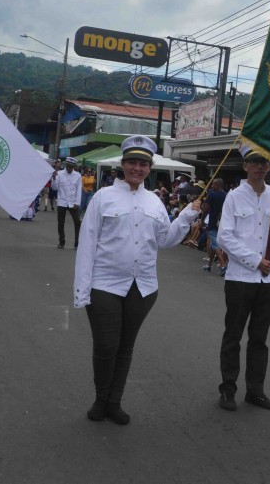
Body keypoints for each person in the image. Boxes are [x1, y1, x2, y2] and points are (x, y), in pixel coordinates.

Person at [74, 136, 201, 425]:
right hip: (105, 283)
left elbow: (165, 240)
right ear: (123, 164)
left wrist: (185, 217)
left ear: (149, 168)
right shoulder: (103, 197)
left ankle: (115, 401)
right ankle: (100, 398)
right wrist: (82, 290)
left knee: (126, 346)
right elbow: (87, 244)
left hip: (142, 287)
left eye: (143, 164)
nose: (137, 168)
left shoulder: (154, 201)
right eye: (132, 162)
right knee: (106, 346)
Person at [215, 145, 270, 412]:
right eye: (255, 161)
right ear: (245, 165)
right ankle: (228, 389)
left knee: (259, 337)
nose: (260, 166)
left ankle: (255, 390)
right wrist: (256, 261)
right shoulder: (234, 197)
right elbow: (225, 236)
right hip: (241, 277)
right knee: (233, 334)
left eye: (265, 162)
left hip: (269, 280)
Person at [52, 157, 83, 249]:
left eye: (72, 167)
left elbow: (79, 190)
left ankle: (77, 242)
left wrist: (77, 202)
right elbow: (55, 188)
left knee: (77, 222)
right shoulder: (59, 174)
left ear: (74, 167)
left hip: (73, 202)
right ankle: (62, 241)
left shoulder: (77, 175)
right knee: (61, 222)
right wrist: (54, 178)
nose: (70, 168)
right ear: (65, 165)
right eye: (68, 166)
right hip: (62, 202)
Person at [202, 179, 229, 275]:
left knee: (215, 244)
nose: (212, 186)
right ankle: (209, 265)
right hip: (223, 222)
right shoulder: (227, 195)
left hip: (213, 222)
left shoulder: (212, 195)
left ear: (217, 185)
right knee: (213, 244)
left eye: (213, 184)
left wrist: (202, 220)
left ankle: (223, 265)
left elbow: (206, 209)